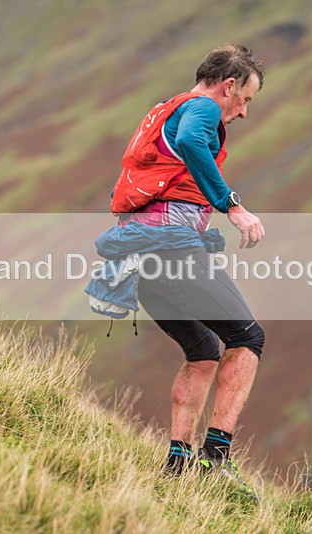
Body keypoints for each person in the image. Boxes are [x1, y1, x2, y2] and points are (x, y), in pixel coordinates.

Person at [111, 44, 266, 496]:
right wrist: (232, 207)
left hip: (137, 253)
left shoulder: (162, 109)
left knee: (202, 349)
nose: (242, 113)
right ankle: (216, 461)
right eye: (246, 100)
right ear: (229, 86)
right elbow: (192, 142)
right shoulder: (200, 108)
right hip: (169, 245)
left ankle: (177, 466)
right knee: (247, 336)